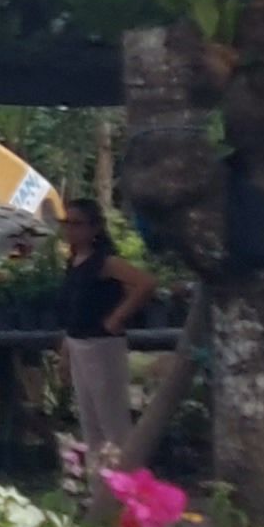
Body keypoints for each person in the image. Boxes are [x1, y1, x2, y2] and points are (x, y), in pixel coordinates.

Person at [56, 200, 154, 490]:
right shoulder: (74, 261)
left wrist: (116, 318)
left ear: (94, 228)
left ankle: (126, 487)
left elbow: (145, 283)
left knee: (112, 421)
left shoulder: (105, 262)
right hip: (79, 342)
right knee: (90, 422)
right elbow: (71, 313)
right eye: (66, 223)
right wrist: (65, 352)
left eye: (77, 224)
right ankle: (100, 489)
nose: (70, 230)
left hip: (102, 344)